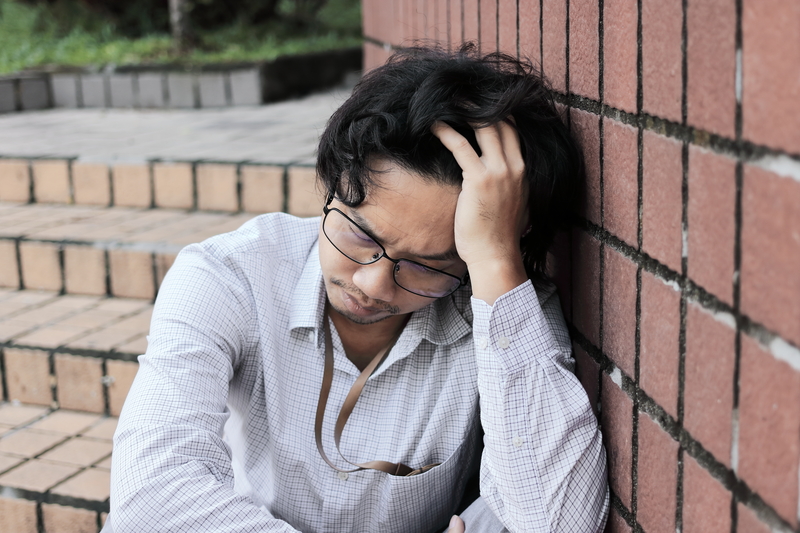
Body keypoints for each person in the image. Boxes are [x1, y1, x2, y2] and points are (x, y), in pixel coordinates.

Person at [105, 45, 609, 533]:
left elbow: (556, 522)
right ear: (331, 184)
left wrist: (497, 264)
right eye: (360, 236)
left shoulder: (500, 306)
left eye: (426, 267)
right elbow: (150, 498)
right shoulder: (232, 275)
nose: (371, 282)